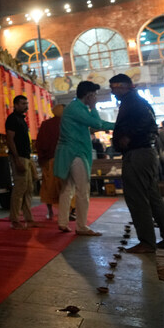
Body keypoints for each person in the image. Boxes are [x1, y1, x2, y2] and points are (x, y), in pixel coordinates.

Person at [109, 74, 164, 253]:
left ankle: (147, 242)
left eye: (114, 87)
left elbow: (145, 122)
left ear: (123, 86)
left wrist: (128, 136)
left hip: (137, 153)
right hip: (145, 153)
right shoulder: (135, 101)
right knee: (153, 197)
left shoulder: (132, 102)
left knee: (137, 198)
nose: (112, 91)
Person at [54, 81, 115, 236]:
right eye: (94, 95)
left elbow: (99, 123)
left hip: (70, 153)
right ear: (88, 95)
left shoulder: (75, 108)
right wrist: (94, 107)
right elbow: (96, 123)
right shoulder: (77, 108)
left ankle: (63, 222)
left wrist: (118, 125)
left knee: (68, 189)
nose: (95, 97)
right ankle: (81, 226)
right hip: (76, 153)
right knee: (83, 189)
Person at [4, 95, 37, 229]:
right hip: (19, 158)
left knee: (28, 189)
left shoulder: (22, 119)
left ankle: (29, 218)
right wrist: (16, 159)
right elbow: (10, 139)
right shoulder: (12, 119)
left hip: (26, 157)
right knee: (19, 189)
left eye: (26, 103)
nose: (26, 106)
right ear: (15, 105)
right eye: (23, 103)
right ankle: (15, 219)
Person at [35, 104, 65, 221]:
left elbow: (40, 143)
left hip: (49, 159)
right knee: (65, 186)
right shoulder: (67, 124)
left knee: (49, 186)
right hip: (63, 159)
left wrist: (42, 158)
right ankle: (69, 210)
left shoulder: (46, 124)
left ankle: (50, 211)